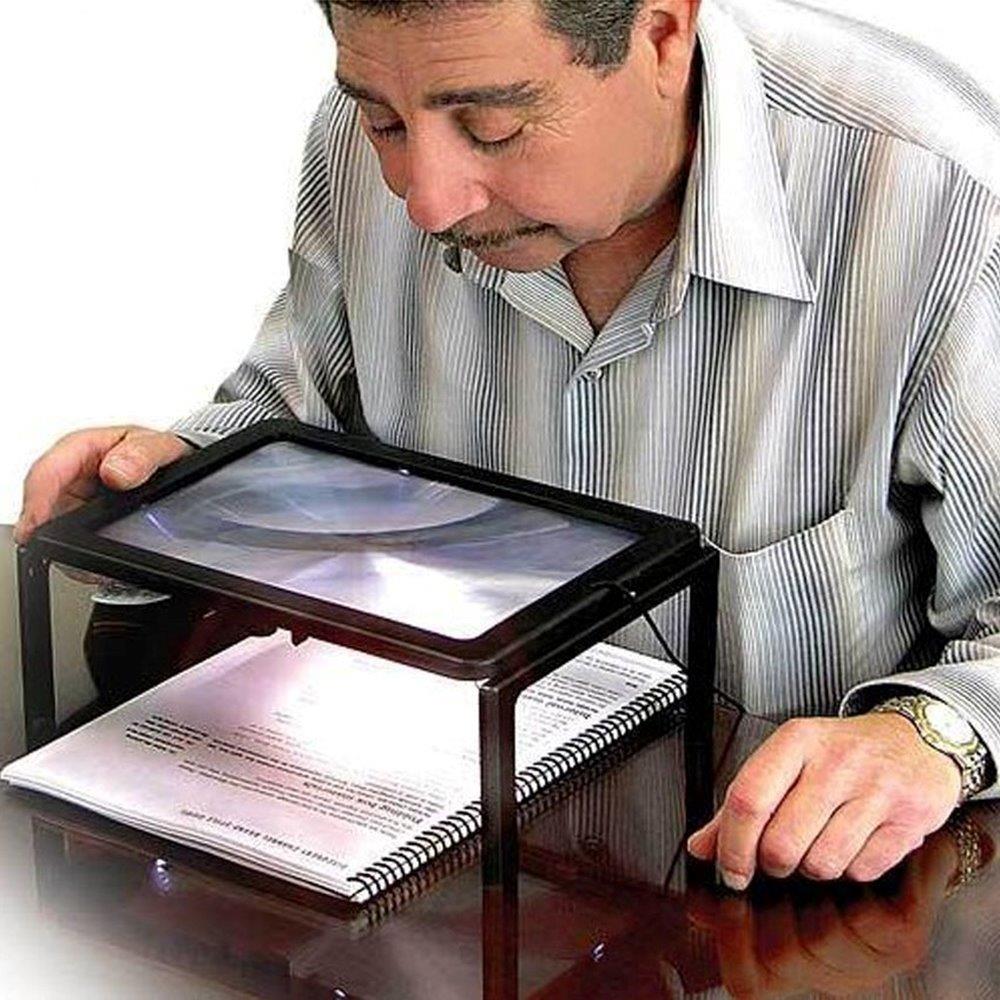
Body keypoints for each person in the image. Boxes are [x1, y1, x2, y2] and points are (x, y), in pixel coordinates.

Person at [13, 0, 1000, 891]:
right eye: (384, 123)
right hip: (431, 867)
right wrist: (163, 491)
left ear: (662, 35)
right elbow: (296, 423)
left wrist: (927, 734)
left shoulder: (940, 197)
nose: (426, 201)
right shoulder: (379, 134)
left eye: (492, 126)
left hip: (760, 905)